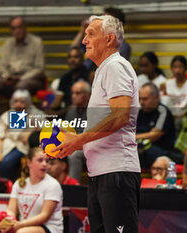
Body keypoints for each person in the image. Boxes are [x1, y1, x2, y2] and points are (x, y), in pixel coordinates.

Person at [54, 15, 141, 233]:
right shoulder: (103, 69)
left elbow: (120, 117)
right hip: (101, 173)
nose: (84, 41)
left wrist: (79, 140)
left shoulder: (115, 66)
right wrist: (72, 138)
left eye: (91, 34)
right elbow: (106, 125)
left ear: (109, 39)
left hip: (116, 172)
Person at [0, 147, 63, 233]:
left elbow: (44, 215)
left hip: (49, 227)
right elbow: (11, 210)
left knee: (22, 232)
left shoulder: (52, 184)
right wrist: (8, 221)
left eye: (47, 161)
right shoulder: (19, 183)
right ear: (29, 162)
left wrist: (20, 224)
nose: (44, 164)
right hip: (22, 224)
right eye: (40, 160)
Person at [0, 89, 45, 181]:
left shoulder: (37, 115)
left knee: (7, 162)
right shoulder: (5, 116)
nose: (18, 104)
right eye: (15, 101)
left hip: (22, 148)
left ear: (28, 103)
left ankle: (5, 189)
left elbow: (40, 133)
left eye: (22, 101)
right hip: (5, 147)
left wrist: (31, 130)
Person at [0, 16, 45, 118]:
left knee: (20, 87)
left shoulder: (36, 42)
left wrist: (21, 78)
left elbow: (39, 68)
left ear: (25, 27)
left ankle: (17, 121)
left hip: (30, 78)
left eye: (20, 27)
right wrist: (6, 76)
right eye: (14, 28)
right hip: (10, 77)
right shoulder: (8, 43)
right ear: (11, 30)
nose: (17, 30)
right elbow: (2, 66)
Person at [136, 83, 175, 168]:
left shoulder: (162, 111)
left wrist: (133, 137)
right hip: (139, 146)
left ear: (156, 98)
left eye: (145, 99)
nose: (141, 102)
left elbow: (154, 136)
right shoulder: (139, 111)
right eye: (140, 99)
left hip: (160, 149)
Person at [160, 55, 187, 134]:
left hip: (186, 116)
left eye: (180, 67)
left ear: (186, 68)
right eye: (175, 67)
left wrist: (181, 115)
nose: (177, 70)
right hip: (170, 116)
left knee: (178, 122)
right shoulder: (168, 84)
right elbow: (165, 103)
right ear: (171, 69)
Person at [48, 46, 89, 111]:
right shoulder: (65, 78)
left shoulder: (89, 75)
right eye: (70, 57)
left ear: (82, 59)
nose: (72, 60)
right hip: (66, 111)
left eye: (76, 57)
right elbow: (58, 101)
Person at [66, 81, 90, 182]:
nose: (74, 96)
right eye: (72, 93)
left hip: (89, 144)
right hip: (73, 143)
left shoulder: (94, 110)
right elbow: (66, 131)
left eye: (78, 93)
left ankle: (73, 185)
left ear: (87, 95)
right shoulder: (71, 111)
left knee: (74, 154)